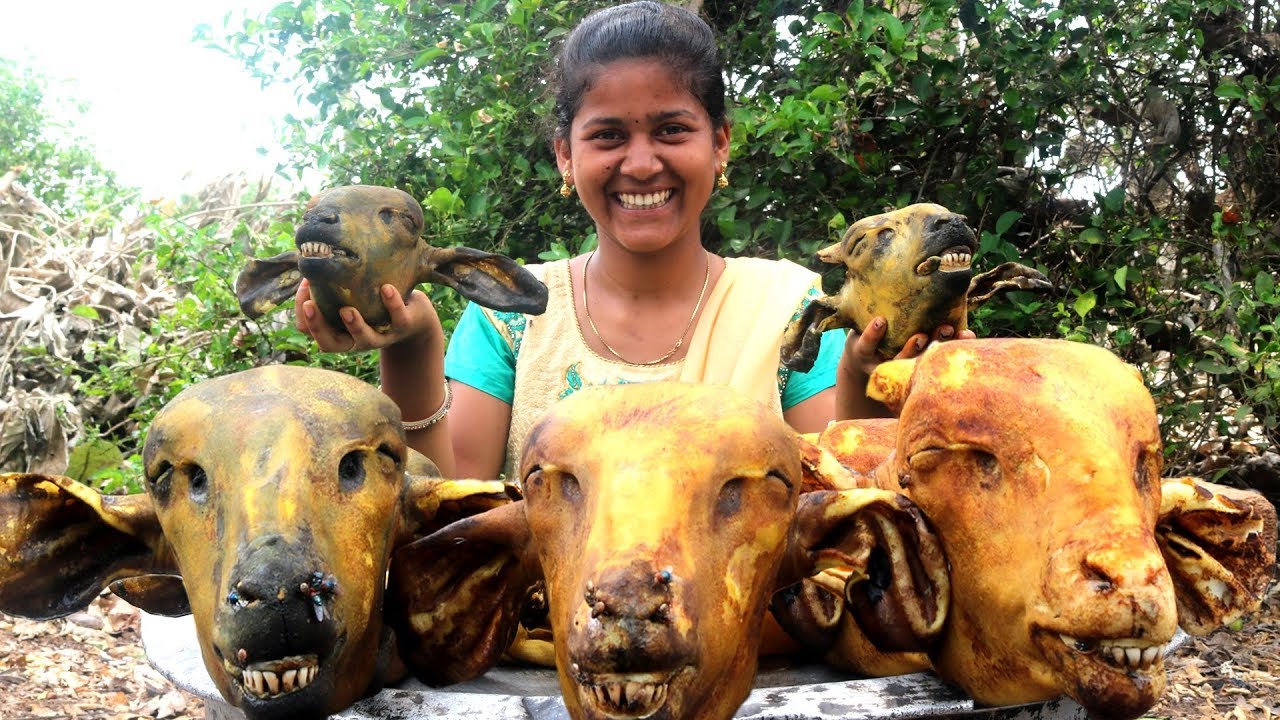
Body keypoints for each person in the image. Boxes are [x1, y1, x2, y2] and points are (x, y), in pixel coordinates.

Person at [294, 1, 967, 479]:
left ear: (720, 144)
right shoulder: (508, 316)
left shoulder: (792, 308)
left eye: (671, 130)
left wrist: (863, 369)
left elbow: (842, 486)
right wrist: (413, 346)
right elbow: (451, 506)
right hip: (542, 668)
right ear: (565, 155)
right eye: (608, 135)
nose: (641, 163)